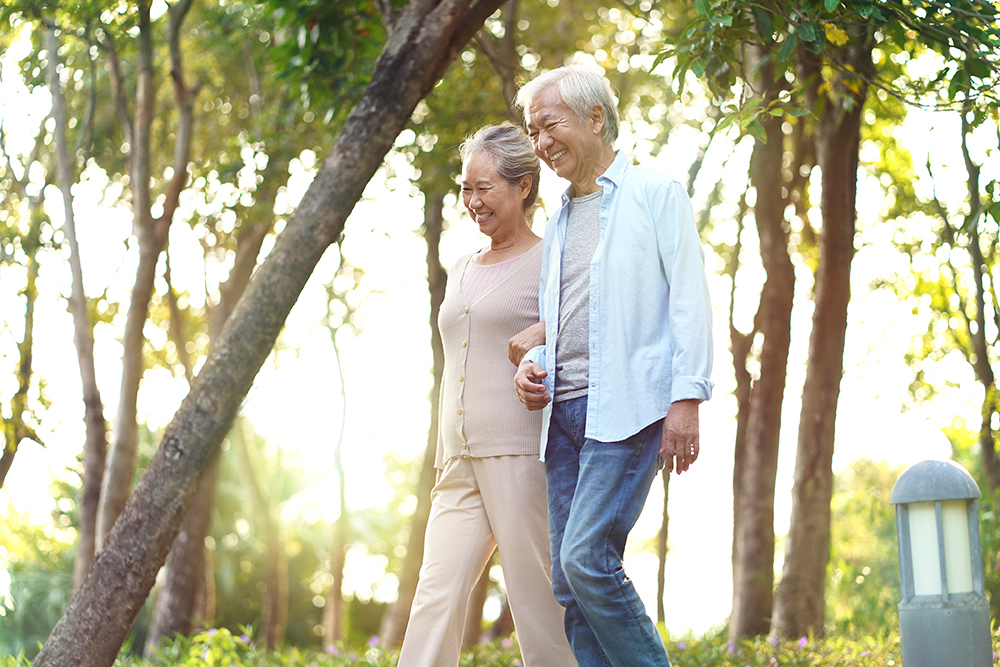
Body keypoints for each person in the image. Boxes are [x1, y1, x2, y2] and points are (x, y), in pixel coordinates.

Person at [512, 66, 714, 667]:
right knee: (571, 586)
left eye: (550, 126)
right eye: (534, 132)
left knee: (586, 560)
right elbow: (568, 317)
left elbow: (688, 297)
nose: (541, 144)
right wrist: (533, 362)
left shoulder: (655, 193)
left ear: (595, 118)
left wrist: (687, 399)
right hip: (564, 415)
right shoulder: (559, 220)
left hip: (626, 408)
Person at [396, 124, 576, 667]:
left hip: (521, 454)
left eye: (485, 187)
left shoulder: (552, 260)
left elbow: (583, 324)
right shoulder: (462, 267)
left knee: (537, 607)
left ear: (523, 186)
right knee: (435, 599)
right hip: (457, 459)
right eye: (466, 188)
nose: (472, 201)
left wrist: (542, 335)